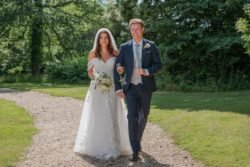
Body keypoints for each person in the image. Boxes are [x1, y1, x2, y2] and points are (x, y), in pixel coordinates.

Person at [74, 28, 132, 160]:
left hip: (112, 89)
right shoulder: (92, 53)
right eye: (101, 38)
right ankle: (100, 146)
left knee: (112, 114)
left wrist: (121, 71)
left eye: (106, 37)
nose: (104, 40)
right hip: (97, 89)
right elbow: (90, 74)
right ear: (98, 39)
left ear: (109, 39)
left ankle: (114, 146)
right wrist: (96, 78)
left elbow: (120, 71)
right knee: (99, 116)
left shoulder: (115, 53)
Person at [114, 18, 162, 161]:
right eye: (132, 29)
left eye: (137, 29)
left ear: (142, 30)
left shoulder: (150, 45)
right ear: (130, 30)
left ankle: (137, 140)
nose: (135, 32)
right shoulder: (124, 47)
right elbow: (117, 66)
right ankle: (135, 150)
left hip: (145, 87)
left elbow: (158, 64)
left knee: (144, 116)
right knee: (131, 117)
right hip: (130, 88)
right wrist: (119, 69)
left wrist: (146, 71)